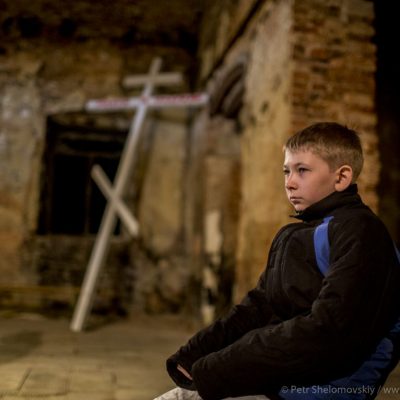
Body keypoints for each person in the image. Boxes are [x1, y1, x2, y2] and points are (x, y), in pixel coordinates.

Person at [154, 122, 400, 400]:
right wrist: (195, 354)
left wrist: (223, 367)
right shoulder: (297, 232)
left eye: (302, 170)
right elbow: (260, 305)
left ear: (341, 177)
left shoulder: (361, 233)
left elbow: (328, 331)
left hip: (321, 389)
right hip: (283, 377)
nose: (289, 181)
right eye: (286, 170)